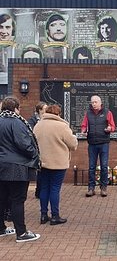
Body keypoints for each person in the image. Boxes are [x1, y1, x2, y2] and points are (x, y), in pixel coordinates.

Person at [0, 96, 40, 242]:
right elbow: (24, 144)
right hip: (17, 167)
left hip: (2, 165)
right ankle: (21, 233)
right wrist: (34, 153)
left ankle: (1, 228)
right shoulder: (17, 122)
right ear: (16, 108)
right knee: (18, 200)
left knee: (2, 198)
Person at [33, 104, 78, 225]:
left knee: (44, 188)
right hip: (58, 163)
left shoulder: (38, 125)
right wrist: (74, 136)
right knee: (54, 189)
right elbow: (73, 145)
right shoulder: (62, 126)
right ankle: (55, 216)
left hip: (42, 162)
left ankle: (43, 215)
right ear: (58, 114)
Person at [81, 95, 116, 197]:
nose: (94, 104)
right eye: (92, 102)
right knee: (91, 167)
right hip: (92, 143)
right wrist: (83, 131)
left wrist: (110, 129)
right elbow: (84, 125)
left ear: (100, 103)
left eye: (96, 102)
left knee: (104, 167)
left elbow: (113, 126)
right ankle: (91, 188)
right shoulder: (88, 113)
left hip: (104, 143)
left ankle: (103, 187)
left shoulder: (107, 113)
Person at [28, 101, 48, 199]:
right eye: (45, 109)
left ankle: (42, 190)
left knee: (44, 170)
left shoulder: (47, 120)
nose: (46, 110)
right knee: (40, 170)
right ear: (40, 110)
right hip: (37, 148)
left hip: (45, 147)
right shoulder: (32, 120)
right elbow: (31, 133)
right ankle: (39, 191)